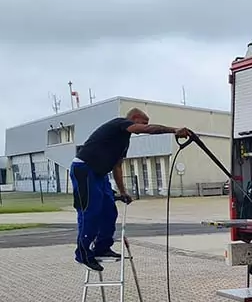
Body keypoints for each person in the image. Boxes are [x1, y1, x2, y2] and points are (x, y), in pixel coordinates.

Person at [70, 108, 190, 270]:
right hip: (84, 169)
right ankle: (82, 253)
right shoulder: (120, 124)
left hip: (100, 174)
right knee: (90, 211)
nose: (144, 128)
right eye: (143, 123)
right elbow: (148, 130)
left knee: (109, 211)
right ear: (134, 118)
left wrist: (123, 191)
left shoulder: (123, 141)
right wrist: (174, 130)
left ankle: (102, 247)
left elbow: (117, 167)